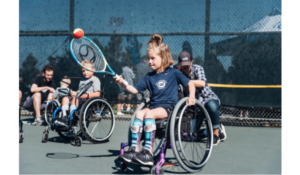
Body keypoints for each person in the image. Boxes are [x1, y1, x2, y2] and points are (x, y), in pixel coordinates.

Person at [115, 34, 196, 166]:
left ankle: (148, 152)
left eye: (153, 58)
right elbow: (134, 90)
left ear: (163, 58)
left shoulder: (174, 73)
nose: (150, 61)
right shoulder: (149, 76)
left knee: (148, 113)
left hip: (169, 109)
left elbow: (190, 84)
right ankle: (133, 150)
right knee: (139, 113)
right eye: (148, 58)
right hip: (154, 109)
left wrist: (191, 96)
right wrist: (122, 83)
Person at [177, 51, 227, 145]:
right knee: (190, 135)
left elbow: (202, 83)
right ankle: (215, 129)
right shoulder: (178, 74)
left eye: (187, 64)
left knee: (212, 105)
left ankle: (215, 134)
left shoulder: (198, 68)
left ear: (191, 62)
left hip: (208, 99)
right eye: (183, 65)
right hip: (196, 107)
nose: (186, 67)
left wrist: (186, 81)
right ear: (180, 64)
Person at [55, 60, 101, 127]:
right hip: (79, 99)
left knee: (75, 99)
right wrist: (75, 93)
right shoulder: (82, 80)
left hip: (88, 101)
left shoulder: (95, 80)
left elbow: (97, 94)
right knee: (65, 98)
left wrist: (83, 96)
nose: (85, 72)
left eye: (87, 70)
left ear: (93, 70)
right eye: (83, 71)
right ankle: (64, 118)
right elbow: (80, 91)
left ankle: (72, 119)